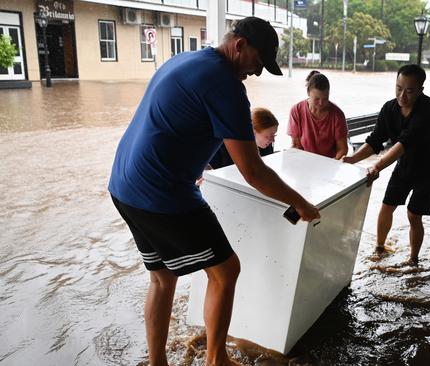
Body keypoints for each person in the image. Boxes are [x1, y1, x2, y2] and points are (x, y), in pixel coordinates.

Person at [108, 17, 319, 366]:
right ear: (239, 45)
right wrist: (300, 202)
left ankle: (157, 361)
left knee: (162, 278)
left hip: (124, 185)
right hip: (162, 192)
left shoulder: (184, 59)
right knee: (226, 270)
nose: (256, 73)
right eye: (257, 62)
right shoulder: (226, 86)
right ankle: (216, 359)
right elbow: (253, 171)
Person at [342, 64, 430, 265]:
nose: (402, 96)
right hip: (404, 165)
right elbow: (375, 140)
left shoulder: (428, 108)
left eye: (409, 90)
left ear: (421, 90)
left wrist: (377, 166)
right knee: (387, 206)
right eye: (398, 88)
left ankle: (413, 260)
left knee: (414, 215)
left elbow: (404, 142)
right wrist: (352, 159)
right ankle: (379, 248)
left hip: (428, 169)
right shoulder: (389, 109)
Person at [287, 70, 348, 159]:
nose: (321, 103)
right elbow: (296, 145)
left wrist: (332, 163)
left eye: (325, 99)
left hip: (329, 163)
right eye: (316, 99)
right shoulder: (296, 111)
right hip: (304, 161)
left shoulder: (337, 115)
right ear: (308, 92)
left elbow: (342, 149)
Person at [208, 107, 278, 169]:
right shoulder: (224, 146)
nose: (273, 140)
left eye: (274, 135)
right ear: (252, 132)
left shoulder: (266, 145)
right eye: (268, 137)